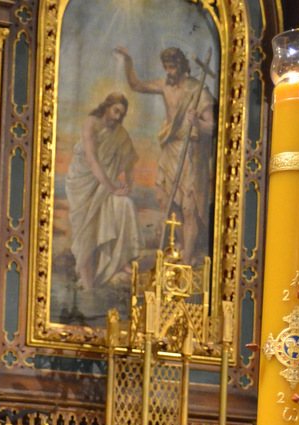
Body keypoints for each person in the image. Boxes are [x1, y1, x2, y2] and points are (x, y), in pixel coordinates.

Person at [113, 45, 215, 263]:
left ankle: (187, 260)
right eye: (166, 67)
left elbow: (212, 127)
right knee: (164, 198)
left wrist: (197, 122)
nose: (169, 72)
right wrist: (128, 61)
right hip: (171, 147)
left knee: (188, 207)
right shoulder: (164, 86)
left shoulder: (198, 91)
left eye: (173, 67)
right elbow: (136, 85)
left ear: (182, 66)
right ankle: (182, 243)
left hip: (190, 151)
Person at [65, 92, 142, 292]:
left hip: (105, 184)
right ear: (107, 106)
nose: (117, 117)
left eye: (121, 114)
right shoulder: (90, 123)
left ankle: (119, 261)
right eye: (116, 111)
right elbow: (92, 161)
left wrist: (127, 187)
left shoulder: (120, 133)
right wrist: (113, 188)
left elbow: (130, 162)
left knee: (125, 205)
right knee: (86, 230)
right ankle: (88, 285)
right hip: (82, 183)